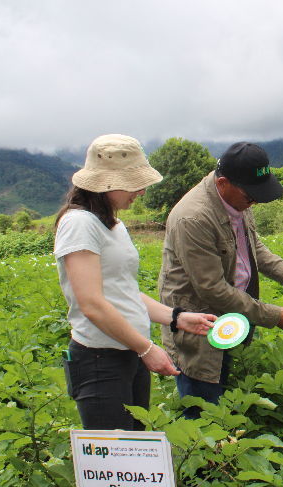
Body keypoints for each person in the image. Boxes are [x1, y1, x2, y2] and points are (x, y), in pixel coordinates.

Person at [54, 133, 215, 434]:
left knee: (136, 448)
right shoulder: (79, 224)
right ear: (106, 182)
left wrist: (177, 317)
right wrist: (146, 349)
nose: (141, 190)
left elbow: (123, 291)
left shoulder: (112, 224)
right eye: (133, 182)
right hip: (101, 360)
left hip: (129, 353)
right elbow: (91, 304)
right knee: (115, 459)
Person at [159, 142, 283, 416]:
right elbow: (213, 289)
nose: (253, 202)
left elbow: (251, 246)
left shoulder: (238, 199)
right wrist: (272, 315)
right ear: (222, 183)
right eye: (250, 196)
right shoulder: (193, 218)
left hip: (234, 319)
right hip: (200, 325)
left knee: (230, 402)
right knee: (204, 407)